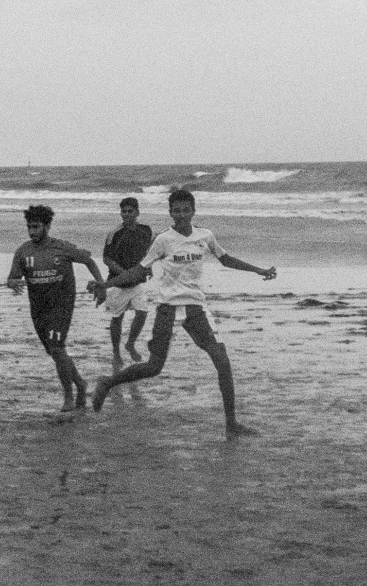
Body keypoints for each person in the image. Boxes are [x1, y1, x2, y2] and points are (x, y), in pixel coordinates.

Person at [91, 187, 277, 438]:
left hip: (195, 308)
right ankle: (108, 383)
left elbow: (226, 259)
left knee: (221, 360)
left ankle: (232, 425)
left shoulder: (205, 235)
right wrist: (107, 284)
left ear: (193, 211)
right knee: (155, 366)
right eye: (176, 211)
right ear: (170, 213)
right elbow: (138, 270)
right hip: (168, 308)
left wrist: (259, 270)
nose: (181, 215)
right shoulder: (163, 240)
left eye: (185, 210)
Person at [7, 204, 105, 413]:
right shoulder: (23, 251)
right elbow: (13, 277)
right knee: (55, 352)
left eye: (36, 227)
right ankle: (80, 383)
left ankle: (68, 396)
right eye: (29, 227)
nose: (32, 231)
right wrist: (12, 282)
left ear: (47, 226)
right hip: (38, 310)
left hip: (61, 306)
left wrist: (100, 284)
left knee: (57, 348)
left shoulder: (62, 248)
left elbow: (88, 260)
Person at [102, 196, 153, 363]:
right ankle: (116, 352)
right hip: (117, 283)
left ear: (137, 212)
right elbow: (107, 259)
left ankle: (130, 343)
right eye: (123, 211)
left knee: (142, 312)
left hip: (136, 283)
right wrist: (124, 274)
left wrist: (148, 267)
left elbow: (147, 252)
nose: (126, 214)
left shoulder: (145, 230)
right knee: (117, 318)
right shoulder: (114, 233)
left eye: (130, 211)